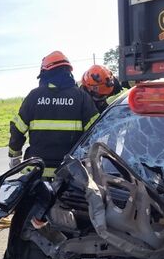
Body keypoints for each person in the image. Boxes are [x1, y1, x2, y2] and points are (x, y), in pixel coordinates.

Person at [8, 50, 99, 179]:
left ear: (45, 73)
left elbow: (17, 129)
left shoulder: (34, 96)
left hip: (36, 172)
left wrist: (14, 155)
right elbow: (96, 133)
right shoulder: (81, 97)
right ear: (68, 72)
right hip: (70, 174)